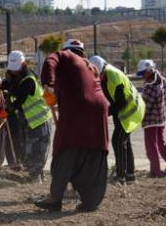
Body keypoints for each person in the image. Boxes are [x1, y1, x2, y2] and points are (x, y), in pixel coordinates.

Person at [35, 40, 110, 212]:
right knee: (94, 154)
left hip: (78, 108)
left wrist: (49, 84)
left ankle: (54, 199)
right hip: (99, 110)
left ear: (69, 50)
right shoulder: (91, 67)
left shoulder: (66, 56)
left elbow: (50, 61)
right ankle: (90, 202)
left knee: (65, 151)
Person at [89, 55, 144, 184]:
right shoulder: (106, 75)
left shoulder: (112, 76)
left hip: (130, 111)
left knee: (117, 140)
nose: (98, 78)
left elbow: (121, 102)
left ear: (102, 70)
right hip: (128, 111)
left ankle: (120, 177)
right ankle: (130, 175)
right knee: (124, 142)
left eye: (98, 75)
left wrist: (104, 113)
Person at [2, 50, 53, 179]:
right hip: (28, 122)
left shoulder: (28, 80)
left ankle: (35, 177)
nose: (14, 71)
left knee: (36, 152)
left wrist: (5, 112)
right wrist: (0, 83)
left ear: (23, 64)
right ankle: (35, 175)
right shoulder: (16, 78)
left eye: (16, 69)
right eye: (12, 69)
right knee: (27, 151)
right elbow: (9, 85)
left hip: (40, 121)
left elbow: (19, 101)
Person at [137, 59, 166, 178]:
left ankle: (155, 172)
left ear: (150, 70)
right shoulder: (162, 80)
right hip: (161, 118)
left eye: (143, 73)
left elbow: (144, 106)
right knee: (161, 144)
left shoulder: (150, 87)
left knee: (151, 148)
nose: (142, 76)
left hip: (150, 121)